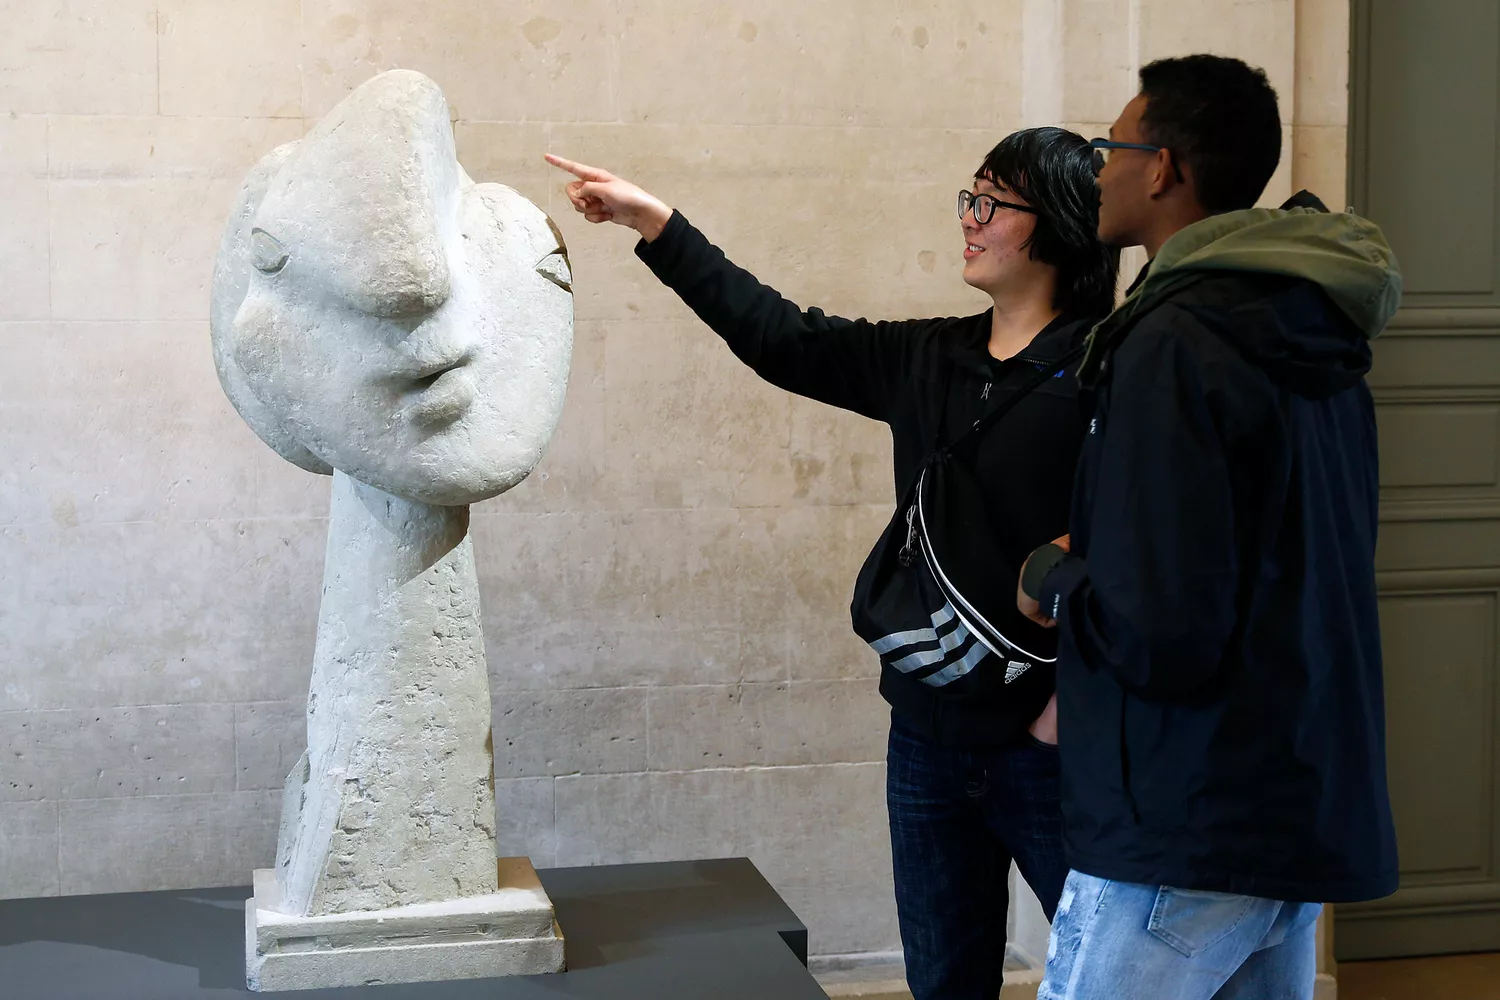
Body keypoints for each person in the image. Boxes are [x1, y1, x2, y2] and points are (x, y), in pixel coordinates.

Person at [547, 128, 1116, 1000]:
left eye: (993, 203)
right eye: (970, 197)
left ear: (1061, 226)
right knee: (944, 981)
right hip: (925, 735)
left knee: (1100, 978)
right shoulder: (931, 356)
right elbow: (784, 338)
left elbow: (1136, 552)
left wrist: (1064, 710)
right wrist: (657, 225)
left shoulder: (1106, 372)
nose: (971, 219)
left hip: (1049, 747)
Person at [1015, 55, 1402, 1000]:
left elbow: (1164, 632)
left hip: (1183, 823)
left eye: (1114, 147)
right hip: (1292, 804)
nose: (1099, 167)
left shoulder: (1172, 341)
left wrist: (1051, 579)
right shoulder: (1318, 323)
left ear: (1162, 169)